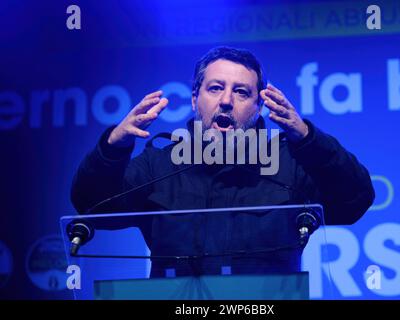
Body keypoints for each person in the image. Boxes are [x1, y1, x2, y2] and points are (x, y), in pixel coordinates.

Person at [71, 46, 375, 277]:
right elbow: (92, 206)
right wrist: (113, 148)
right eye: (215, 88)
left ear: (258, 107)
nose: (226, 100)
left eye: (241, 92)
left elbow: (354, 200)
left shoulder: (289, 162)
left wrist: (308, 139)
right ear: (194, 99)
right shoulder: (159, 165)